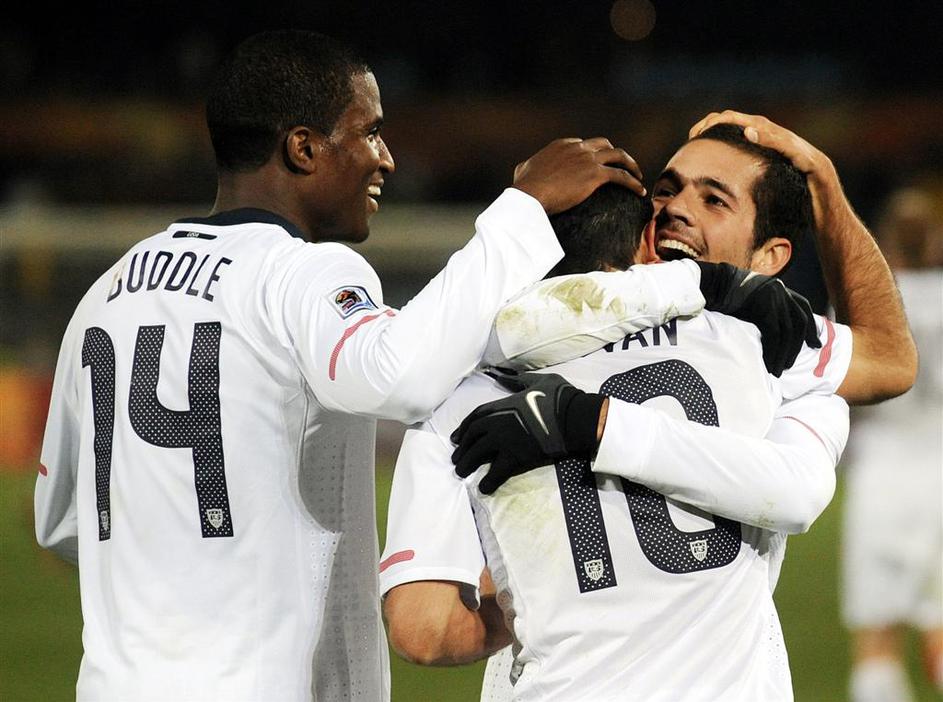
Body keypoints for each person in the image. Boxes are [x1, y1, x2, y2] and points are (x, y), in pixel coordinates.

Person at [32, 29, 662, 702]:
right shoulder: (299, 274)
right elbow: (398, 374)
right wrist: (522, 212)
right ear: (303, 148)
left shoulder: (105, 294)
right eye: (370, 133)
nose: (385, 158)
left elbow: (60, 521)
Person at [381, 114, 918, 700]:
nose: (677, 208)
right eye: (667, 189)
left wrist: (533, 591)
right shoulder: (767, 345)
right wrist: (824, 187)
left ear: (770, 256)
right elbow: (886, 365)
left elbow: (426, 630)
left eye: (714, 200)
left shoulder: (463, 369)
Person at [840, 186, 943, 702]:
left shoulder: (866, 301)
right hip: (940, 471)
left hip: (881, 476)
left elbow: (843, 392)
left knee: (876, 635)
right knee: (939, 628)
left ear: (886, 241)